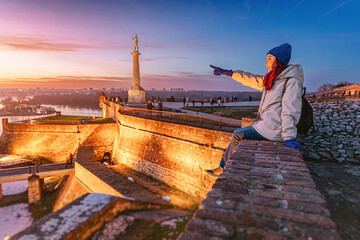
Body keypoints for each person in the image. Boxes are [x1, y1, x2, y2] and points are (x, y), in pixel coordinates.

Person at [207, 43, 303, 177]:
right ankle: (223, 167)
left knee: (237, 134)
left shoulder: (291, 81)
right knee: (239, 133)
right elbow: (252, 79)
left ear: (278, 60)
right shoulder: (273, 79)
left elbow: (290, 109)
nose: (266, 63)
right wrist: (230, 73)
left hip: (274, 128)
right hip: (267, 124)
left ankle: (223, 169)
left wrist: (288, 137)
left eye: (269, 58)